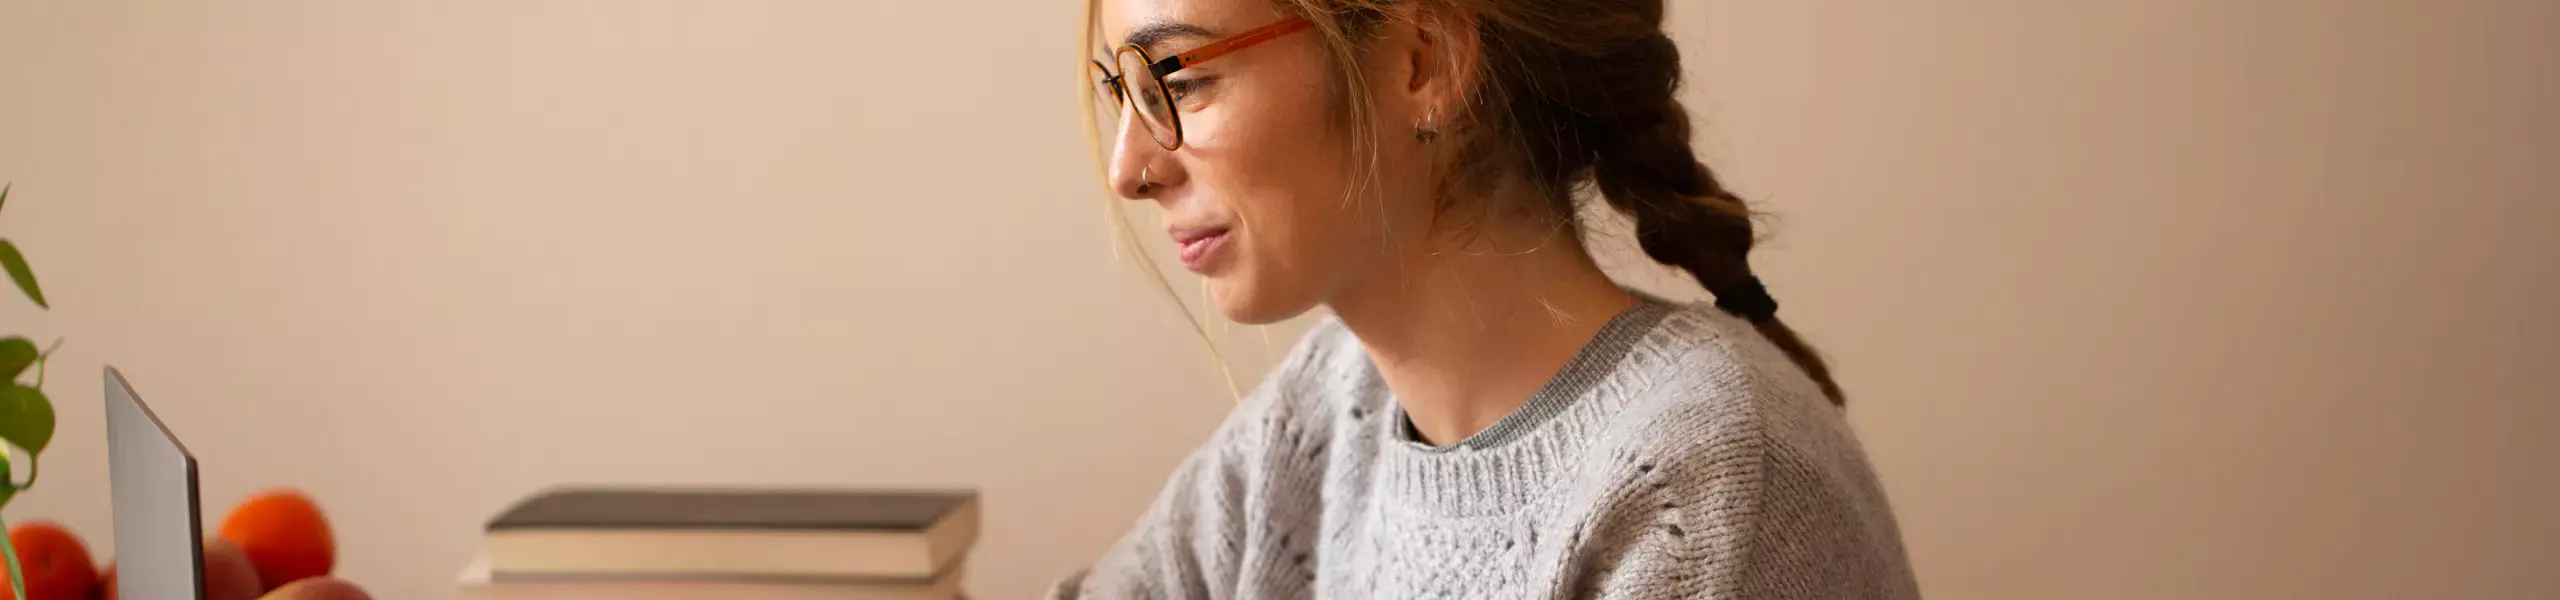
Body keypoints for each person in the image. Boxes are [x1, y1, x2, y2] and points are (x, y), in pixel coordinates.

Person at [1059, 0, 1920, 598]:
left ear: (1421, 59)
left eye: (1176, 76)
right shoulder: (1331, 410)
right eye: (1118, 89)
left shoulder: (1705, 490)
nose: (1129, 169)